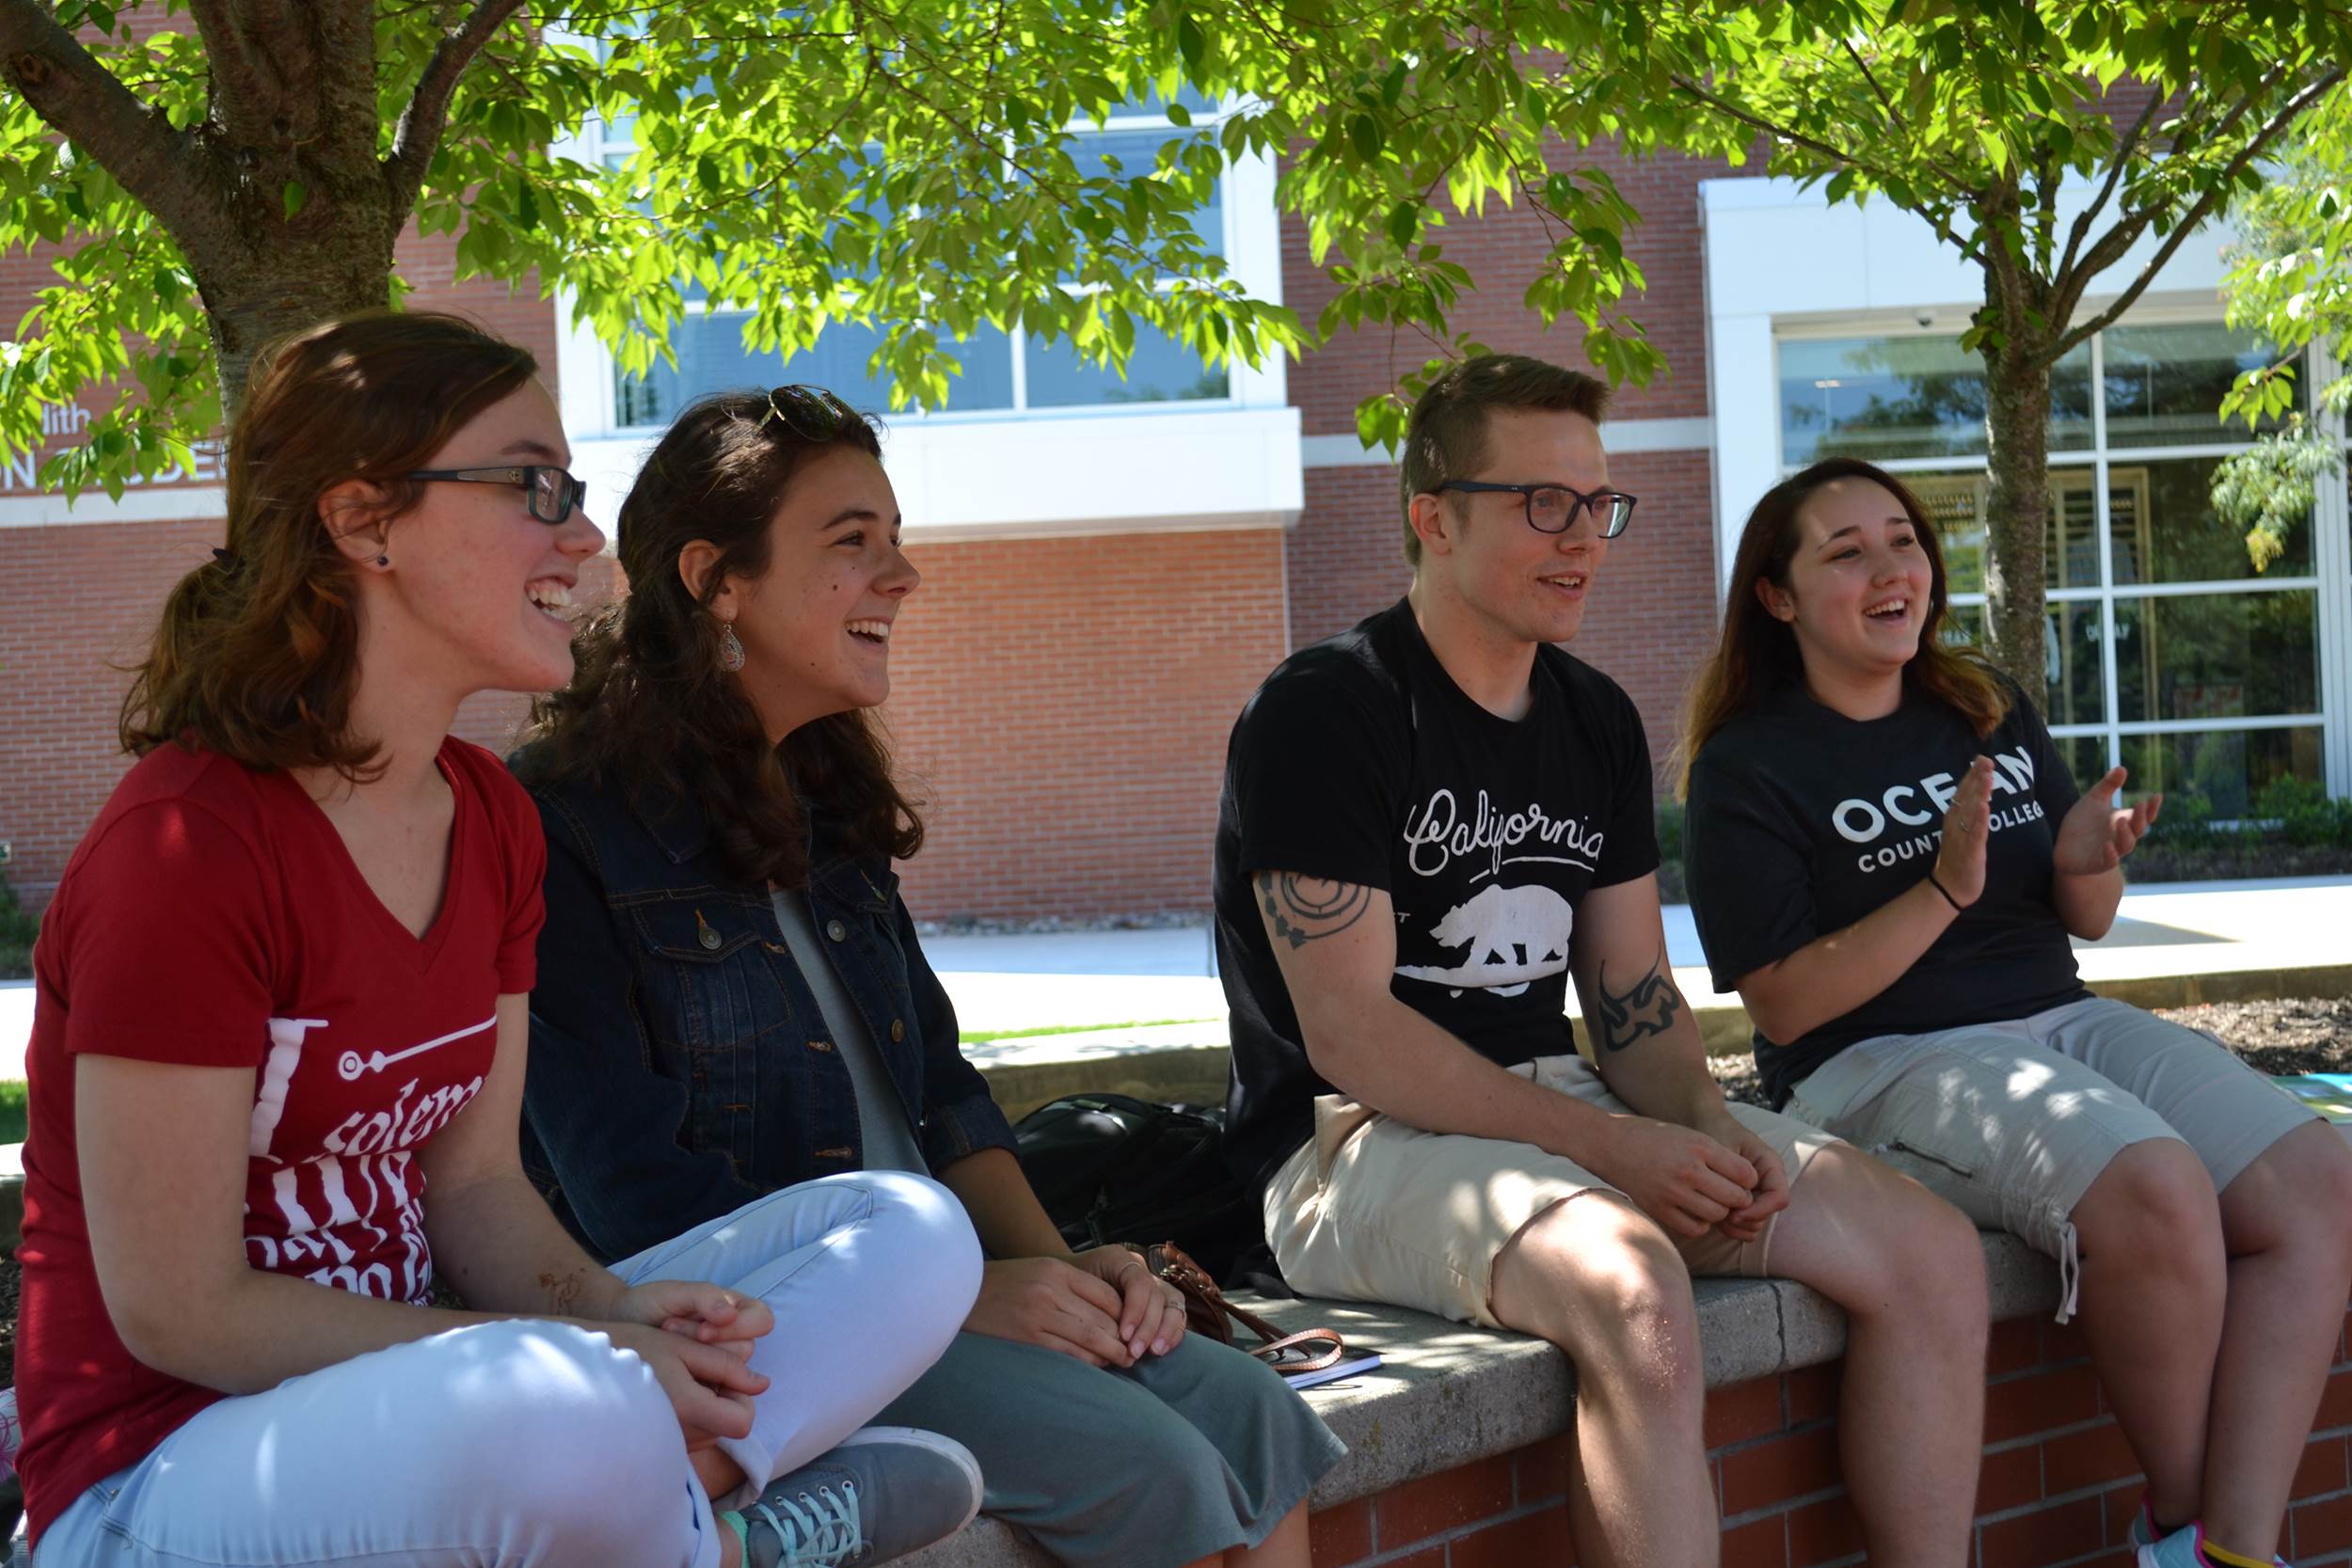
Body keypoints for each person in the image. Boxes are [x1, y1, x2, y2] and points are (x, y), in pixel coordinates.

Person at [14, 313, 987, 1568]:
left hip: (439, 1400)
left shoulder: (487, 819)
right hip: (163, 1466)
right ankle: (724, 1529)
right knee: (560, 1409)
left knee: (908, 1234)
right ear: (365, 521)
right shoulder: (187, 851)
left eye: (572, 492)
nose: (583, 536)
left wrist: (612, 1309)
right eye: (534, 486)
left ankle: (683, 1500)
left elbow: (473, 1185)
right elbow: (177, 1307)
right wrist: (572, 1355)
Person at [512, 384, 1346, 1568]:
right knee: (1147, 1464)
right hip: (779, 1332)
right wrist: (952, 1300)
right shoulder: (561, 827)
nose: (901, 576)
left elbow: (947, 1097)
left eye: (894, 541)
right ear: (715, 578)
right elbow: (635, 1202)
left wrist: (1063, 1271)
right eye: (854, 545)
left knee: (1255, 1411)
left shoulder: (828, 806)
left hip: (948, 1287)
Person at [1216, 354, 1995, 1568]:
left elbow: (1631, 1001)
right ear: (1433, 516)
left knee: (1932, 1251)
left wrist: (1702, 1121)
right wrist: (1624, 1149)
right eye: (1543, 503)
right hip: (1349, 1139)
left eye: (1598, 504)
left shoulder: (1593, 716)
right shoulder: (1327, 710)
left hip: (1549, 1110)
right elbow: (1350, 1032)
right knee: (1637, 1292)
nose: (1584, 537)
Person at [1679, 455, 2352, 1568]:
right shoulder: (1745, 766)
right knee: (2152, 1186)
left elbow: (2078, 919)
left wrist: (2087, 863)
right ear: (1777, 595)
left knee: (2320, 1180)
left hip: (2055, 1014)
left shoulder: (1979, 703)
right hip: (1881, 1056)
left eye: (1902, 539)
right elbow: (1784, 1000)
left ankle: (2235, 1546)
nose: (1891, 568)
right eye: (1845, 552)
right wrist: (1940, 885)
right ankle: (2186, 1535)